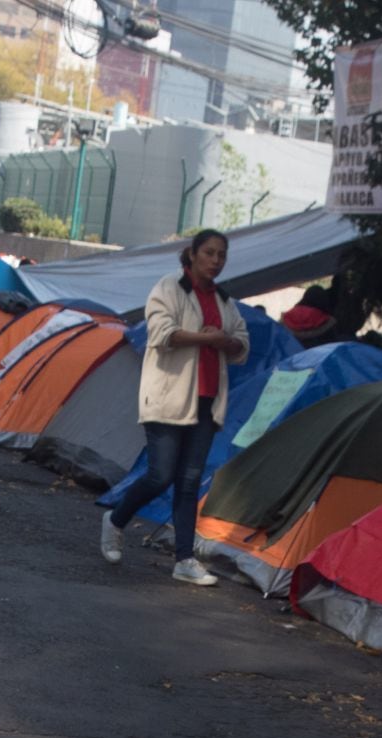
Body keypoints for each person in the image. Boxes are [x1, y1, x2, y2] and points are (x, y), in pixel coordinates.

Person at [100, 229, 249, 585]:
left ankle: (185, 559)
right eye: (209, 253)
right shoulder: (170, 288)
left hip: (207, 401)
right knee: (160, 475)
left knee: (189, 480)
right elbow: (161, 333)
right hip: (169, 396)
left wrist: (225, 342)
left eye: (221, 255)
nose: (216, 260)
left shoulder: (224, 300)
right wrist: (206, 338)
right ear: (192, 254)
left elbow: (242, 341)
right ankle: (115, 520)